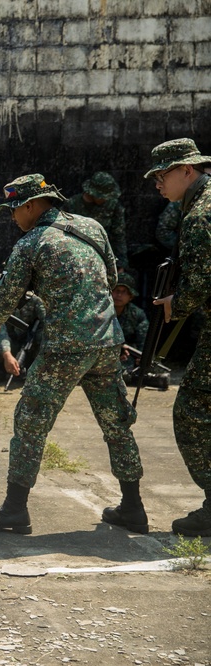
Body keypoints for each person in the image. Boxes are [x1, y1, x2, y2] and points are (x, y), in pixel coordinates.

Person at [0, 174, 146, 535]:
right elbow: (111, 277)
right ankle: (133, 507)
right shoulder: (92, 227)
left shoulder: (31, 242)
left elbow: (5, 297)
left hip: (66, 347)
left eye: (14, 210)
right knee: (116, 424)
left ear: (32, 205)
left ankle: (14, 510)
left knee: (30, 421)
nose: (12, 218)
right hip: (108, 339)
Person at [146, 138, 211, 536]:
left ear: (187, 170)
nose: (156, 183)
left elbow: (202, 279)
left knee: (191, 410)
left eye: (162, 175)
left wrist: (177, 303)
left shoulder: (201, 213)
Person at [63, 171, 129, 269]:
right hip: (75, 256)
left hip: (103, 257)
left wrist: (121, 264)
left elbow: (118, 236)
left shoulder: (113, 206)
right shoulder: (72, 205)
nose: (106, 199)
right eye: (103, 196)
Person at [0, 291, 46, 385]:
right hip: (8, 344)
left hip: (29, 339)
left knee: (43, 335)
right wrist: (7, 355)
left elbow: (46, 321)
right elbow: (0, 331)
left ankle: (36, 369)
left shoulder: (34, 300)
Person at [111, 274, 149, 380]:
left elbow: (143, 341)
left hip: (126, 355)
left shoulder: (137, 315)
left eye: (124, 292)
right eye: (116, 290)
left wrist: (142, 357)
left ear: (131, 296)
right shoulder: (100, 312)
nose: (119, 295)